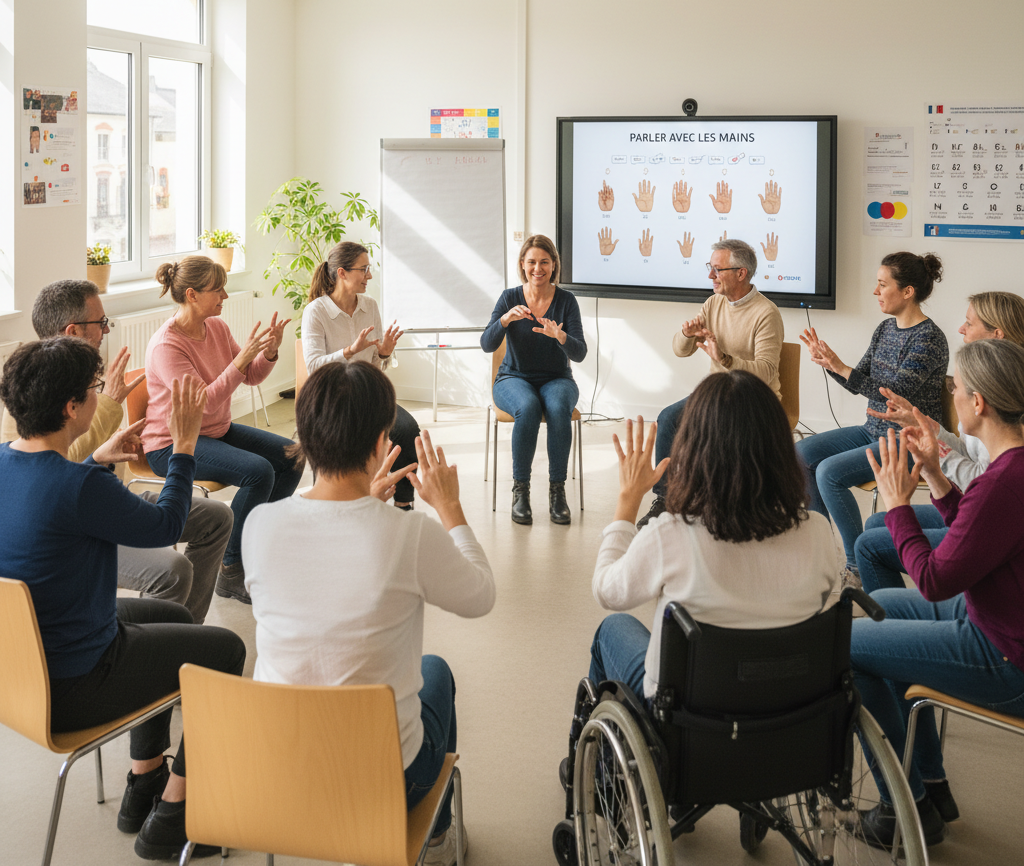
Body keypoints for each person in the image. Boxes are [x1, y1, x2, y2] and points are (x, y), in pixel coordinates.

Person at [0, 338, 246, 861]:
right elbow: (168, 525)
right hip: (73, 682)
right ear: (71, 408)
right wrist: (183, 447)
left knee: (174, 616)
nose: (98, 396)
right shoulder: (80, 487)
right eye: (93, 389)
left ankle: (144, 782)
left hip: (21, 670)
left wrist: (95, 458)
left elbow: (55, 497)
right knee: (224, 649)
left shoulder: (8, 463)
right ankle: (174, 818)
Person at [243, 360, 495, 866]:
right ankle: (438, 839)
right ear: (382, 440)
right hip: (379, 782)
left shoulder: (259, 524)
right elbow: (480, 595)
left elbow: (323, 564)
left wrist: (364, 504)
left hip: (275, 774)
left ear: (305, 435)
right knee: (436, 671)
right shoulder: (410, 535)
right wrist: (449, 509)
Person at [851, 339, 1024, 848]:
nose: (952, 396)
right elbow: (971, 546)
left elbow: (931, 580)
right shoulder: (1008, 469)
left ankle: (904, 807)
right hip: (991, 615)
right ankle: (927, 784)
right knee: (875, 615)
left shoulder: (1004, 481)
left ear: (979, 403)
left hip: (1004, 655)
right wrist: (932, 474)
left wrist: (898, 504)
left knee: (843, 645)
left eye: (957, 389)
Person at [587, 371, 840, 715]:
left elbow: (606, 590)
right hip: (788, 714)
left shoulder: (669, 534)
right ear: (781, 449)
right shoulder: (818, 531)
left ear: (692, 449)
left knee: (612, 630)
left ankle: (593, 765)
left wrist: (627, 501)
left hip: (690, 718)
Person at [0, 279, 232, 625]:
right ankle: (163, 652)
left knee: (216, 517)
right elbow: (52, 474)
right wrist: (181, 444)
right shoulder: (38, 386)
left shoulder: (75, 376)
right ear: (73, 329)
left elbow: (64, 471)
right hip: (81, 512)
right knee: (174, 569)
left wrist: (100, 455)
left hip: (101, 495)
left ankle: (183, 633)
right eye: (101, 323)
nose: (106, 330)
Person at [142, 255, 303, 605]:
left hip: (214, 430)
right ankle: (230, 569)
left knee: (293, 456)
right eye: (218, 291)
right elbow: (206, 403)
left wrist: (269, 353)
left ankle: (255, 547)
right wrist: (241, 359)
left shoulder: (216, 327)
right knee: (259, 472)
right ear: (192, 294)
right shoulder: (167, 346)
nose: (225, 297)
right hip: (171, 444)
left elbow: (251, 377)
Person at [855, 291, 1024, 593]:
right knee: (875, 527)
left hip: (984, 525)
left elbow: (984, 487)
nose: (961, 329)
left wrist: (901, 501)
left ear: (977, 401)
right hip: (977, 509)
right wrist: (931, 431)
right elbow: (976, 476)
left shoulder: (1003, 413)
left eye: (969, 323)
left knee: (871, 541)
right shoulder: (989, 392)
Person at [795, 252, 947, 568]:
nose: (875, 292)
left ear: (908, 291)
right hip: (873, 431)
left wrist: (844, 368)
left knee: (828, 472)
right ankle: (822, 547)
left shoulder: (930, 338)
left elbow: (895, 392)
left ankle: (855, 563)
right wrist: (831, 365)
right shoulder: (884, 328)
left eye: (882, 285)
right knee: (801, 455)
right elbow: (857, 382)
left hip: (908, 441)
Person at [636, 237, 784, 528]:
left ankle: (722, 504)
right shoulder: (713, 303)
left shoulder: (767, 313)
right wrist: (688, 334)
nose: (710, 276)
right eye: (710, 268)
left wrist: (725, 360)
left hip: (754, 399)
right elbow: (679, 351)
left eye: (717, 269)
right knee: (669, 418)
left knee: (716, 428)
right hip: (718, 394)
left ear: (741, 273)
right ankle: (665, 499)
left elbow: (766, 372)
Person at [480, 234, 586, 525]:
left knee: (557, 407)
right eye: (531, 262)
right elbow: (487, 344)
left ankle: (557, 492)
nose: (537, 268)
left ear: (554, 266)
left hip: (557, 379)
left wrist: (560, 335)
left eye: (544, 262)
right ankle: (521, 491)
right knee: (527, 407)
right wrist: (504, 320)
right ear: (522, 265)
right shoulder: (509, 297)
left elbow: (580, 353)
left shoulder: (566, 301)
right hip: (513, 378)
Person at [301, 240, 415, 508]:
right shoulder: (315, 312)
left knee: (409, 431)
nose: (369, 276)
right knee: (343, 437)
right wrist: (349, 351)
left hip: (366, 394)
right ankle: (335, 503)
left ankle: (403, 505)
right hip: (332, 399)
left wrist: (384, 353)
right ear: (342, 273)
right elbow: (314, 367)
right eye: (363, 270)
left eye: (369, 269)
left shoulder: (369, 305)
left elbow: (375, 365)